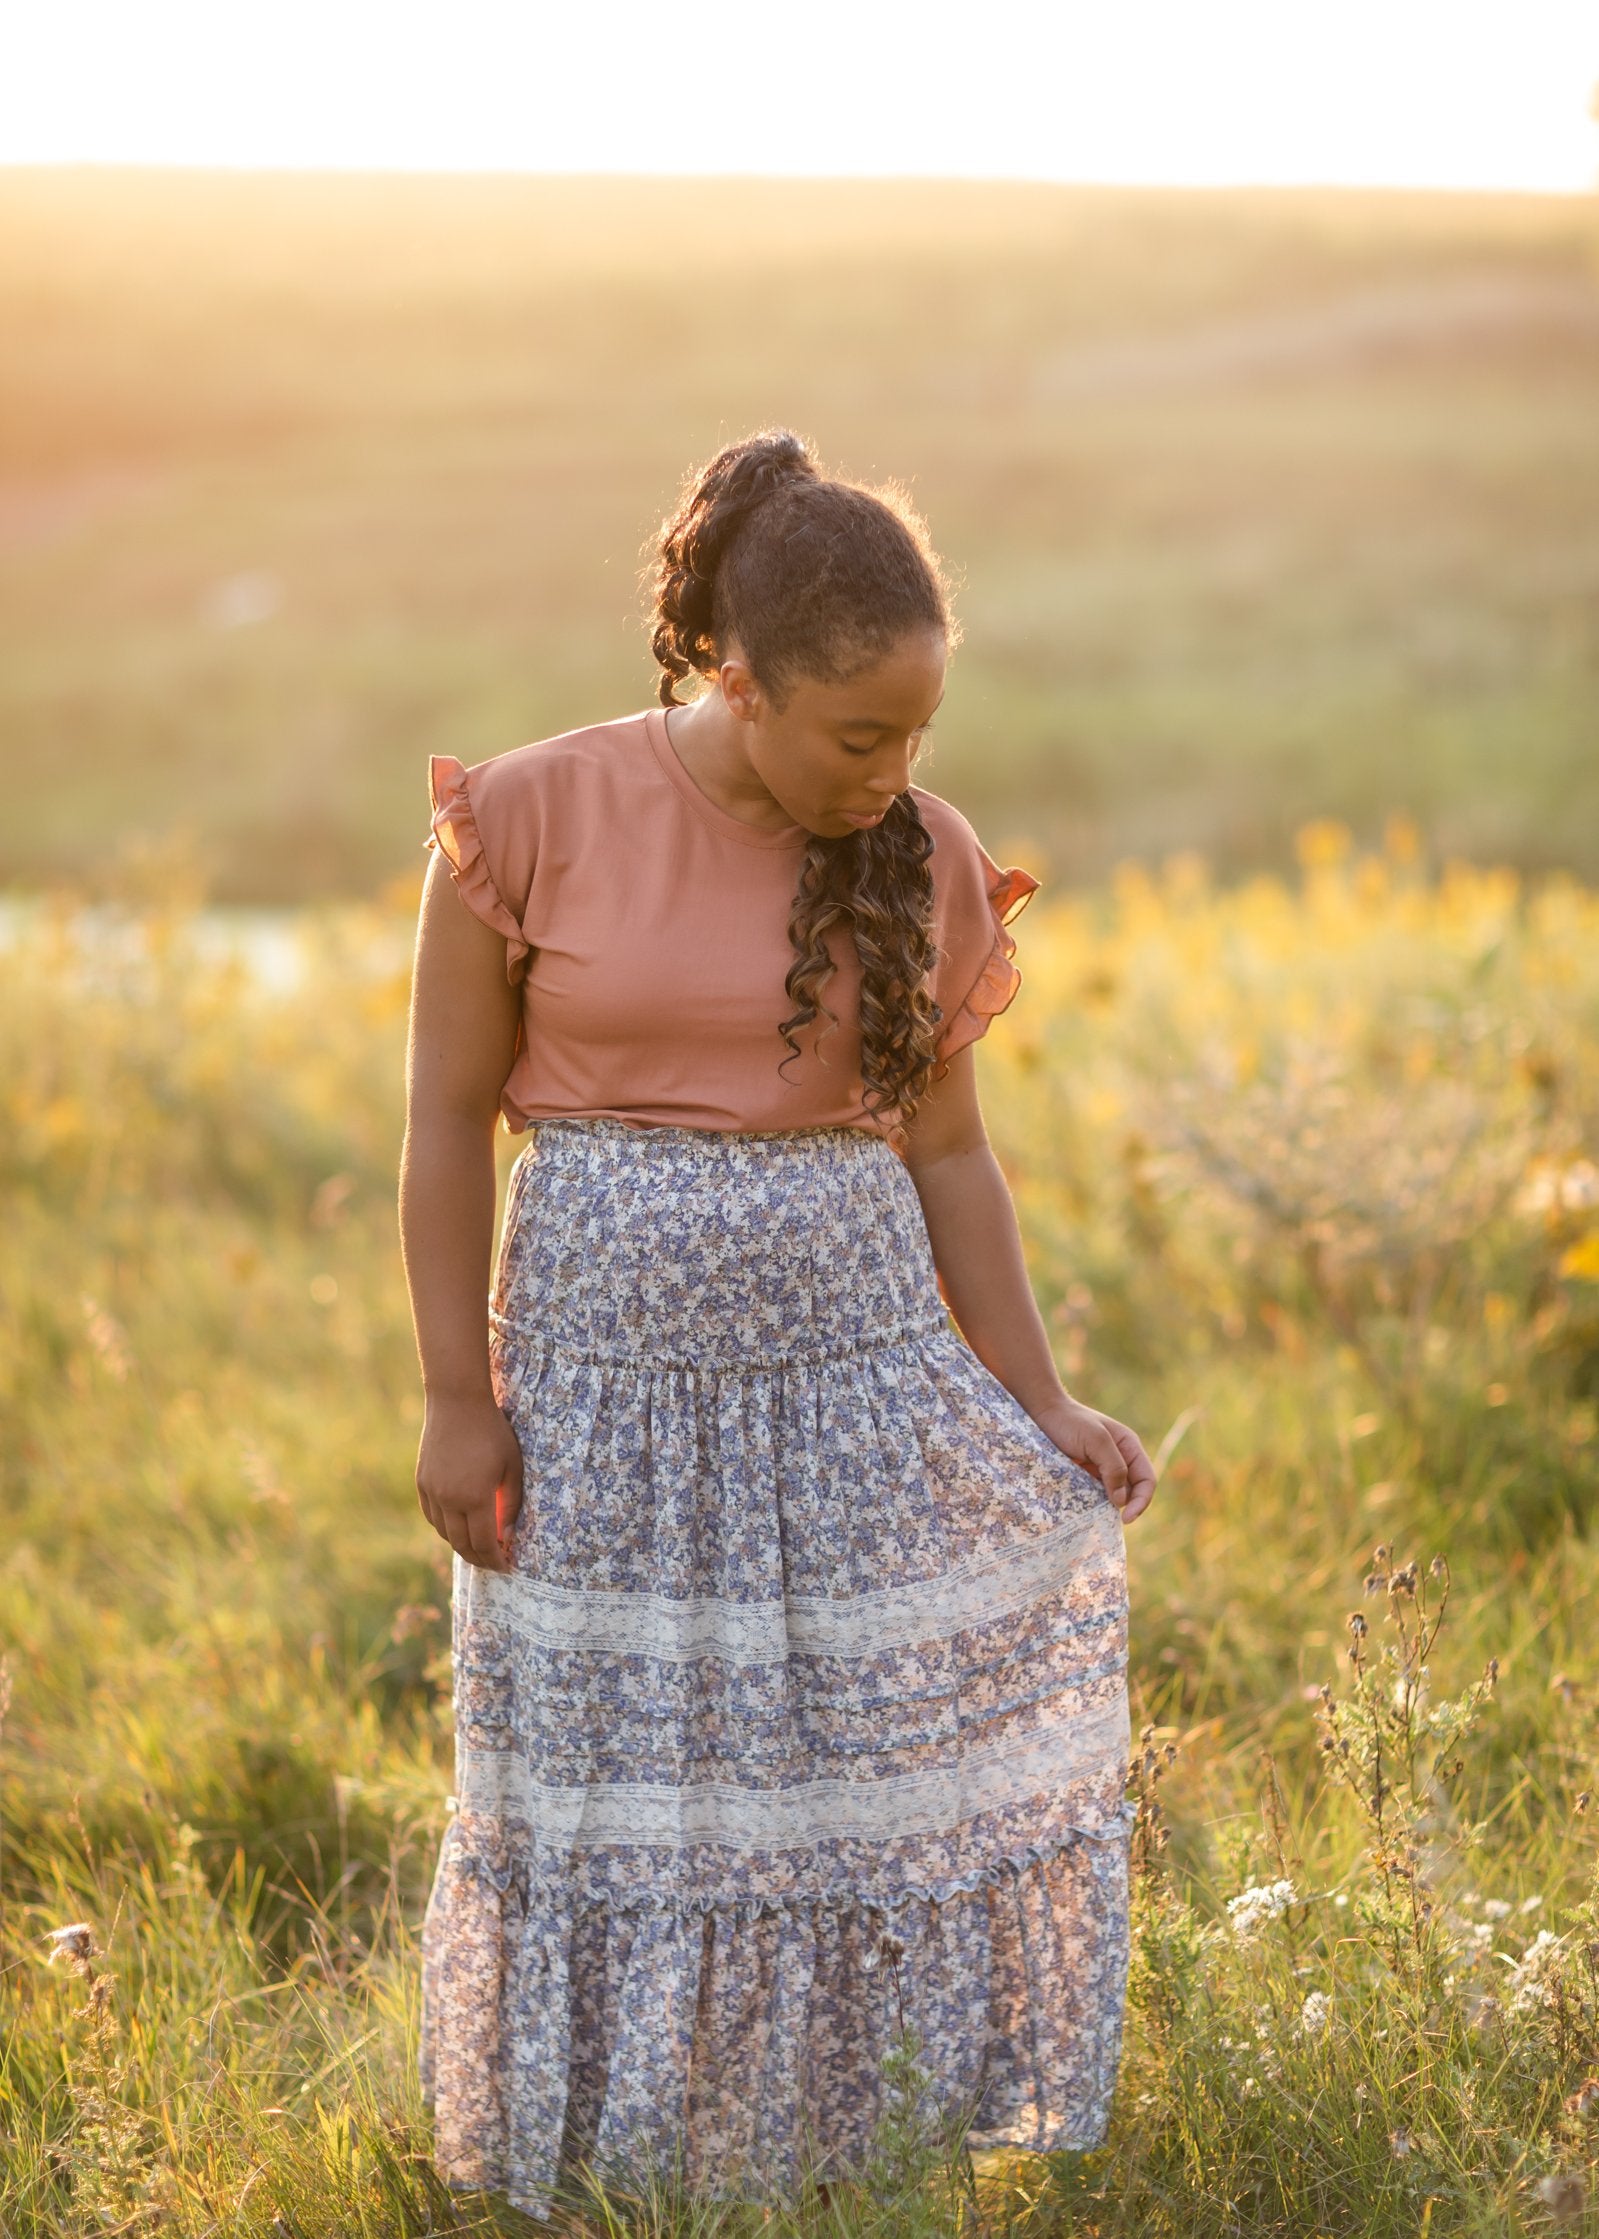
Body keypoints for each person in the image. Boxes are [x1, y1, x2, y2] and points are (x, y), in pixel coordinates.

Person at [399, 427, 1156, 2224]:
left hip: (856, 1396)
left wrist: (1036, 1400)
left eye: (919, 736)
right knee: (626, 1789)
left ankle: (845, 2154)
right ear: (735, 683)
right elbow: (439, 1121)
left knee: (844, 1781)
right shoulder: (526, 816)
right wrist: (455, 1395)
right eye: (856, 737)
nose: (893, 776)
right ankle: (625, 2170)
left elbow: (955, 1159)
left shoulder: (922, 855)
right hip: (599, 1409)